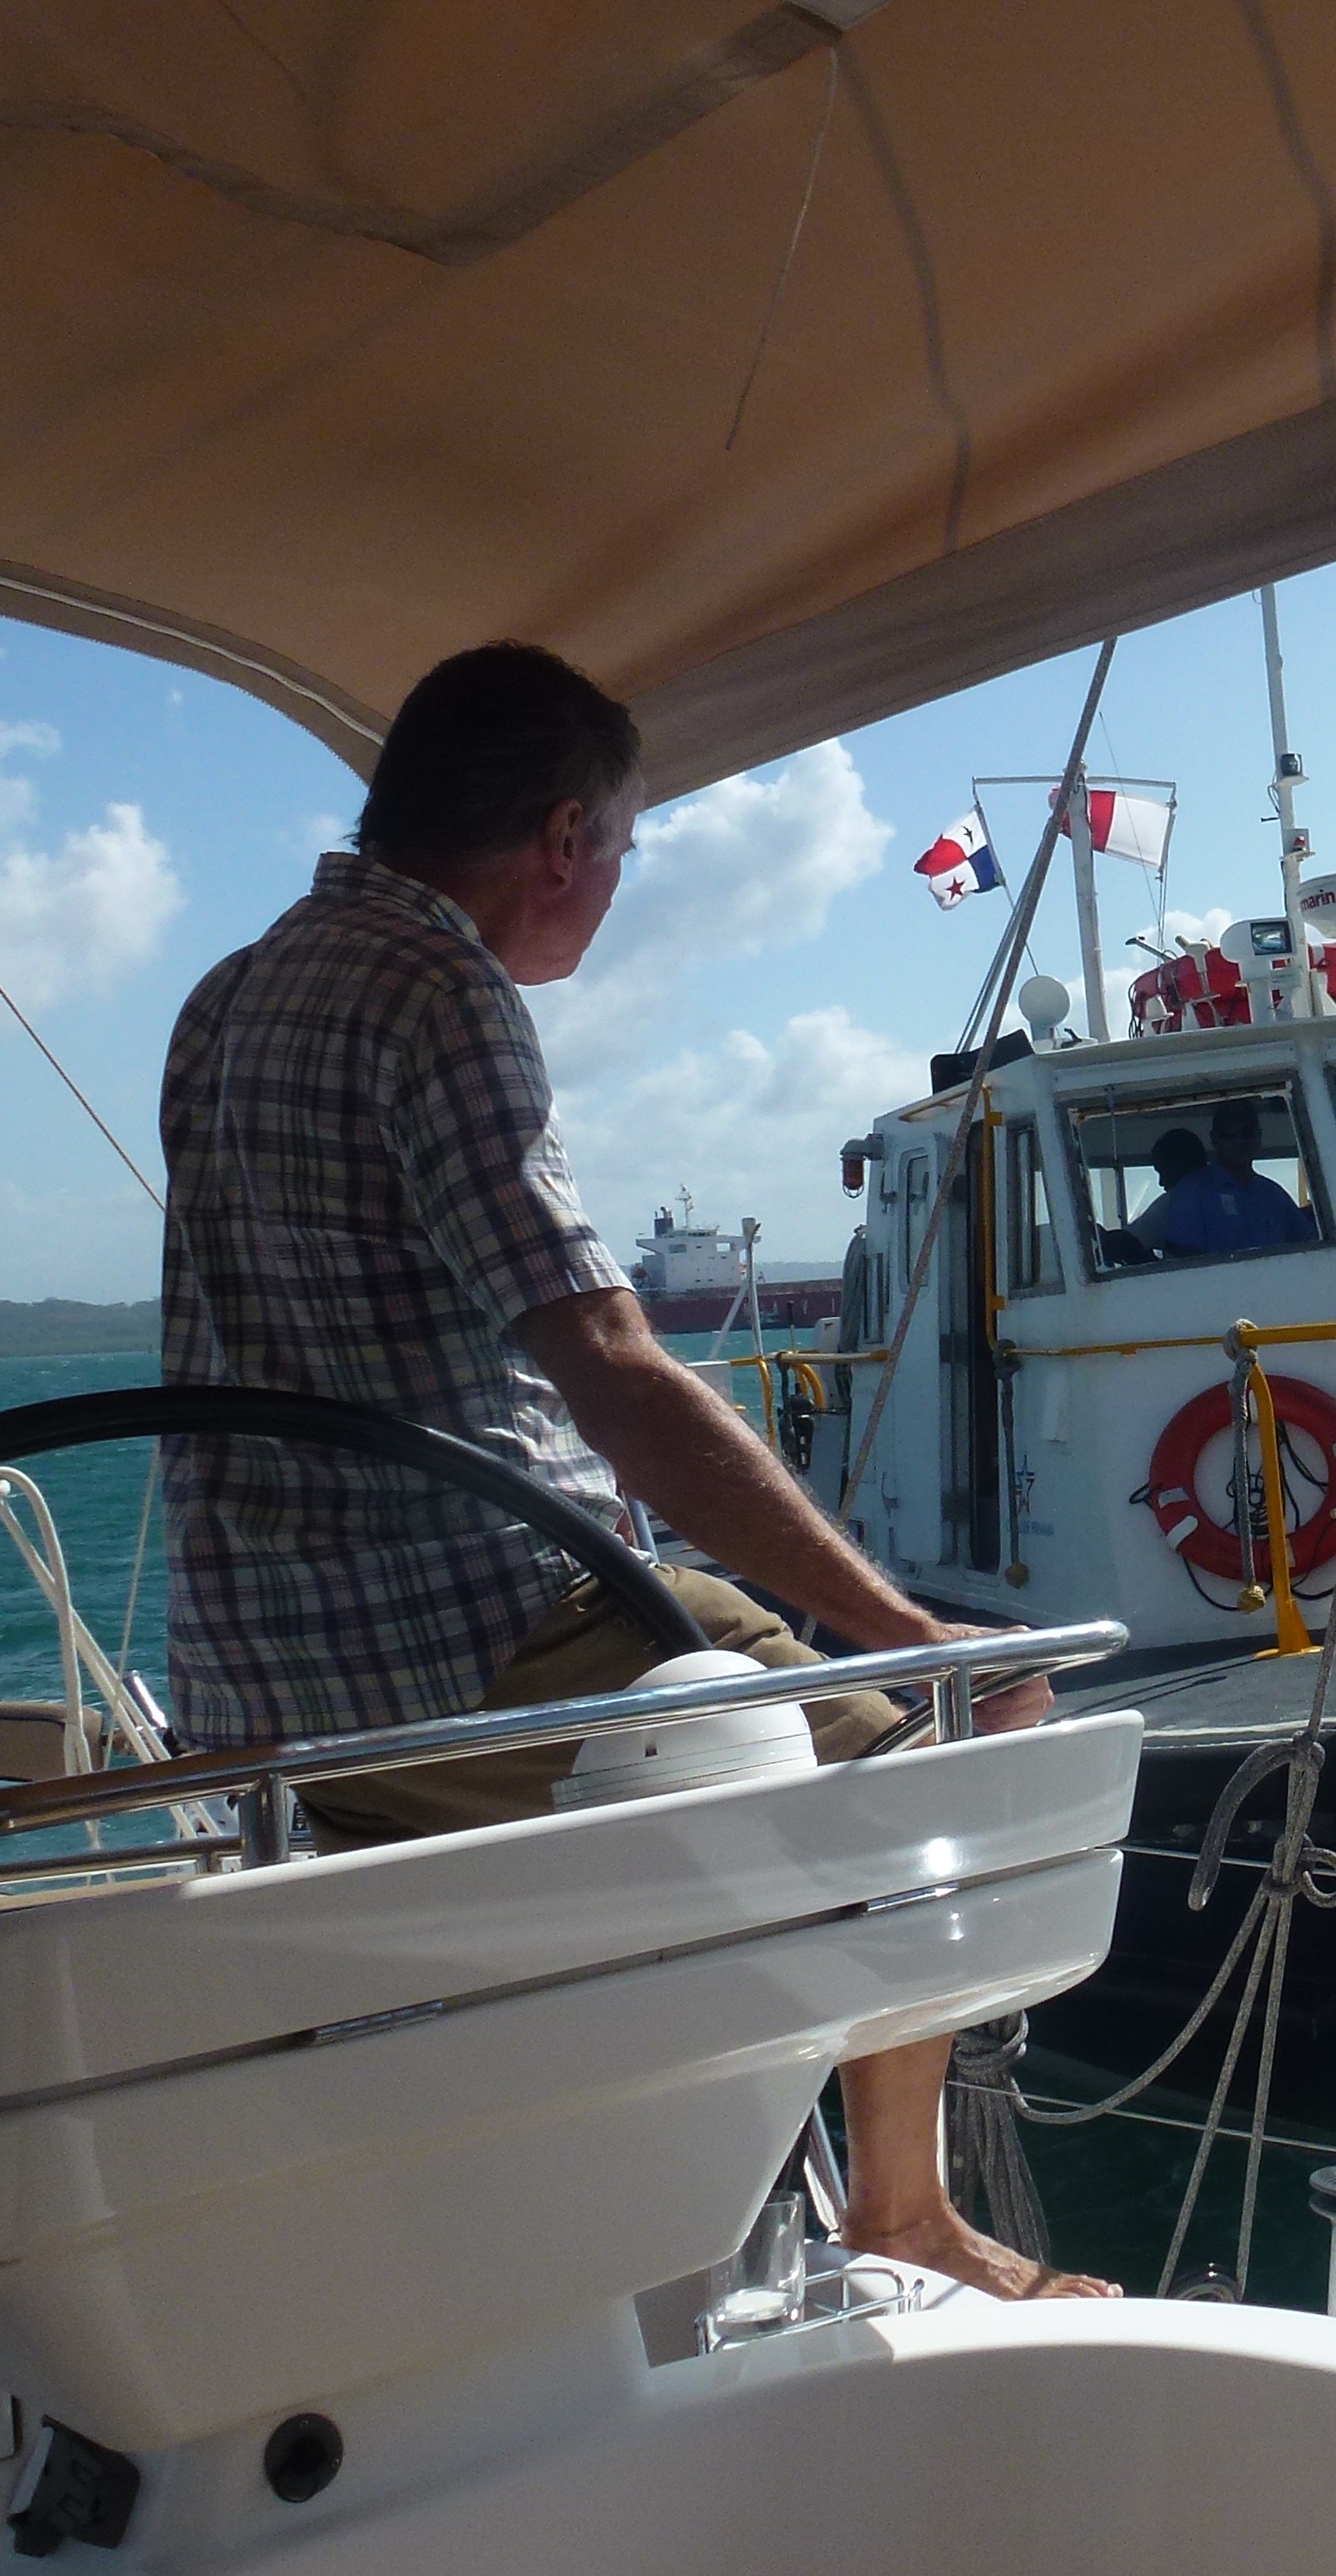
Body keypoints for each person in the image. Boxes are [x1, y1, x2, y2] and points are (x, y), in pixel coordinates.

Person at [158, 639, 1109, 2302]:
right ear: (563, 840)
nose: (613, 888)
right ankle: (901, 2210)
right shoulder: (440, 994)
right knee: (941, 1749)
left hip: (252, 1685)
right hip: (469, 1639)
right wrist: (904, 1634)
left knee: (770, 1686)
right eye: (623, 847)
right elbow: (610, 1367)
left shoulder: (226, 996)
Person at [1127, 1099, 1316, 1258]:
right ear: (1214, 1139)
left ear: (1258, 1137)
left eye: (1247, 1133)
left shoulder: (1274, 1195)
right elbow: (1185, 1263)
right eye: (1229, 1134)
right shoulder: (1191, 1193)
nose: (1239, 1141)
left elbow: (1310, 1247)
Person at [1102, 1124, 1209, 1266]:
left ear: (1177, 1165)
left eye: (1163, 1172)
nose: (1161, 1182)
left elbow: (1124, 1243)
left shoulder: (1176, 1201)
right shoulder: (1224, 1195)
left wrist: (1097, 1235)